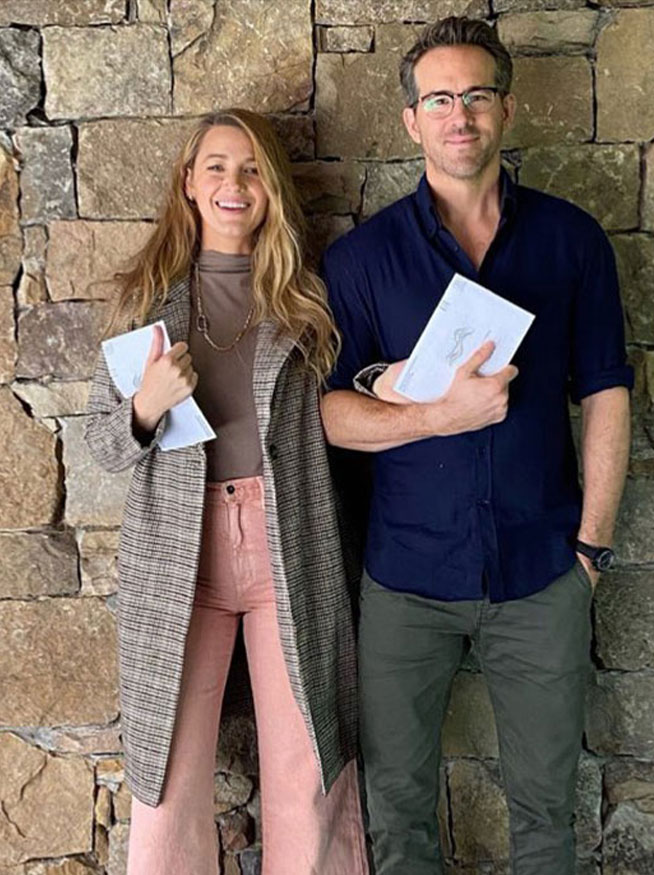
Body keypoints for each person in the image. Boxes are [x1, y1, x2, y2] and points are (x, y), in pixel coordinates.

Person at [320, 17, 632, 875]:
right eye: (441, 98)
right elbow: (328, 413)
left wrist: (591, 546)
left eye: (478, 95)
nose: (461, 115)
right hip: (406, 583)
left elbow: (606, 391)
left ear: (507, 109)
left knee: (545, 812)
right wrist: (433, 416)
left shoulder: (573, 241)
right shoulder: (361, 260)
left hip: (543, 574)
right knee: (400, 813)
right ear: (412, 120)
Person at [84, 109, 369, 875]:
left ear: (271, 189)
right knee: (166, 782)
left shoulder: (309, 302)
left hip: (291, 548)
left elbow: (350, 418)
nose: (232, 184)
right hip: (181, 559)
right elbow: (100, 444)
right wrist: (144, 404)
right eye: (215, 166)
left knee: (309, 767)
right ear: (188, 183)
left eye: (250, 169)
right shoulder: (146, 302)